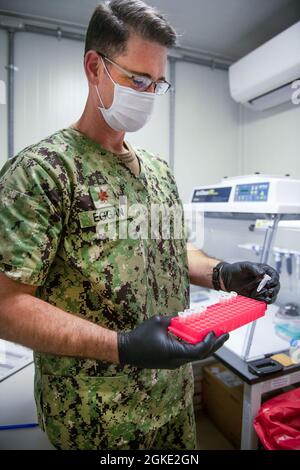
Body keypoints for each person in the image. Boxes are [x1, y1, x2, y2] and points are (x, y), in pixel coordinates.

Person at [0, 0, 280, 450]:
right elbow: (7, 305)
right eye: (138, 80)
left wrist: (223, 272)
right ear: (95, 68)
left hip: (172, 404)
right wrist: (124, 345)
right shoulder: (43, 172)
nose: (149, 95)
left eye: (159, 84)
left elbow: (171, 249)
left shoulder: (157, 170)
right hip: (96, 421)